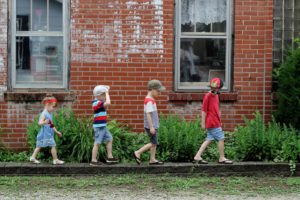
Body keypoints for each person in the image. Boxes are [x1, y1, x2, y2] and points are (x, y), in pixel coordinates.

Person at [193, 77, 233, 164]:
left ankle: (197, 156)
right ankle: (222, 158)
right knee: (221, 138)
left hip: (216, 121)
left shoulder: (217, 96)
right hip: (211, 122)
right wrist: (203, 123)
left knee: (209, 139)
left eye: (216, 88)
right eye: (213, 88)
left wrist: (219, 119)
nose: (214, 90)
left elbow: (217, 109)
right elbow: (204, 110)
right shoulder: (208, 96)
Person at [133, 80, 165, 165]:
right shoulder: (149, 101)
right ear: (153, 89)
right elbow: (148, 114)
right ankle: (138, 152)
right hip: (151, 126)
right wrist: (151, 127)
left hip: (153, 125)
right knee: (154, 142)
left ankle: (152, 159)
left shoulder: (150, 100)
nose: (159, 93)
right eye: (158, 91)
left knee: (154, 143)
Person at [29, 96, 64, 165]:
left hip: (48, 133)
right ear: (47, 105)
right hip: (45, 134)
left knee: (39, 146)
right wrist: (44, 122)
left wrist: (56, 132)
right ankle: (55, 160)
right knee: (53, 145)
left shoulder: (49, 113)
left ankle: (33, 157)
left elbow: (51, 124)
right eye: (53, 107)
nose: (53, 109)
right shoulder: (44, 113)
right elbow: (39, 123)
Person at [90, 85, 119, 166]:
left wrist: (106, 91)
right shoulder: (96, 103)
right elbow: (108, 103)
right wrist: (107, 92)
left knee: (110, 139)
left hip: (103, 126)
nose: (105, 97)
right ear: (98, 95)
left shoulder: (100, 102)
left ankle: (110, 157)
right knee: (97, 143)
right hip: (99, 127)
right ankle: (93, 160)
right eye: (104, 95)